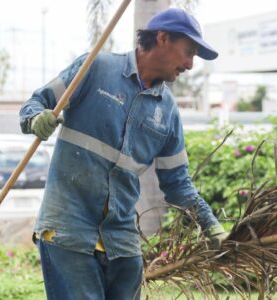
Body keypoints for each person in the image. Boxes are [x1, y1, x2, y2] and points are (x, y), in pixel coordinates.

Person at [19, 8, 227, 300]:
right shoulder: (95, 68)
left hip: (122, 242)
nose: (190, 65)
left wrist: (211, 225)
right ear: (163, 38)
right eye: (188, 52)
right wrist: (35, 118)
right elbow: (37, 101)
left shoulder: (168, 112)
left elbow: (178, 184)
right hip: (68, 230)